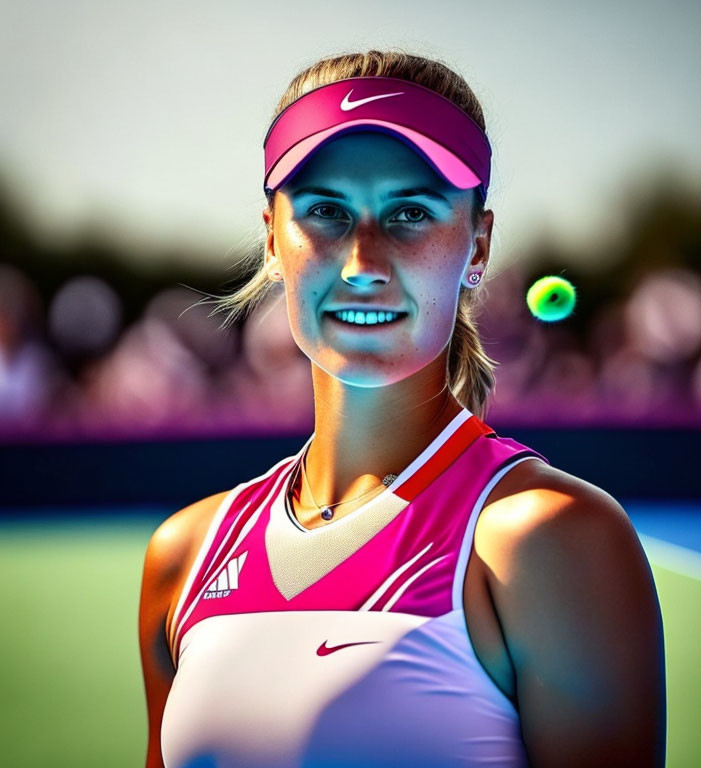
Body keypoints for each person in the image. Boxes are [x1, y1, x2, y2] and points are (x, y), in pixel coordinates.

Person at [138, 50, 666, 768]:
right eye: (325, 211)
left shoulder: (546, 538)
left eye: (410, 213)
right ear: (272, 238)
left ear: (477, 245)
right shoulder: (186, 554)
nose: (362, 262)